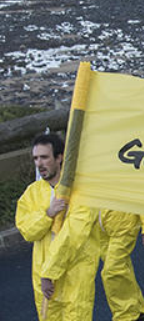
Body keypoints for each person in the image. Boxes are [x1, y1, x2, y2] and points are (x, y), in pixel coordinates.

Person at [16, 133, 101, 320]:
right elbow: (27, 231)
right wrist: (48, 214)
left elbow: (73, 236)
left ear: (59, 157)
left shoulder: (83, 192)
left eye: (44, 157)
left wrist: (49, 273)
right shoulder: (32, 193)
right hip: (44, 283)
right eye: (36, 158)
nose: (39, 163)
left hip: (75, 276)